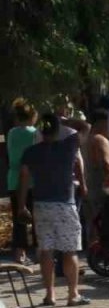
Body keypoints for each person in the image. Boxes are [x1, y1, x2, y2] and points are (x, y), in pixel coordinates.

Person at [16, 114, 87, 307]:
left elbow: (23, 179)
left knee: (46, 251)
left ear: (40, 130)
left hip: (41, 205)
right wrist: (64, 121)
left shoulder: (30, 152)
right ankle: (73, 295)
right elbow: (84, 126)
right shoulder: (69, 146)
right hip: (65, 204)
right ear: (57, 130)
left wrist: (22, 205)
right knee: (69, 250)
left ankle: (50, 295)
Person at [7, 99, 38, 265]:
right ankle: (40, 251)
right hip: (33, 180)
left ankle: (19, 254)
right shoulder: (35, 132)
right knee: (36, 216)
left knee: (18, 218)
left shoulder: (12, 133)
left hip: (13, 179)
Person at [81, 108, 109, 244]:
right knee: (102, 220)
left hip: (87, 186)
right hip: (100, 186)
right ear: (102, 123)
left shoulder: (84, 140)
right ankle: (103, 250)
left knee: (92, 222)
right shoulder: (100, 140)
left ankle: (93, 250)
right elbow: (106, 164)